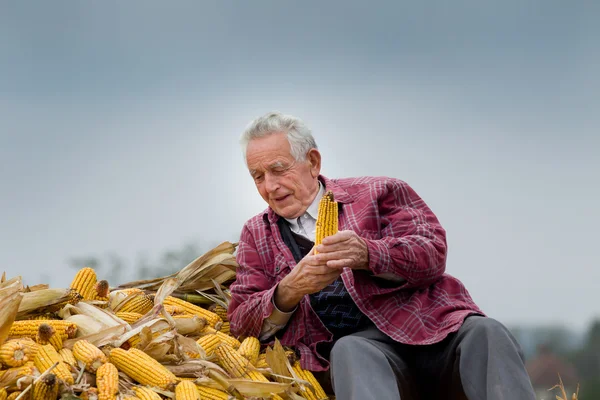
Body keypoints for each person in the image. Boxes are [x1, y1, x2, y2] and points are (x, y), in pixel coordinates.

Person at [228, 111, 536, 400]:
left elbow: (431, 252)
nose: (270, 186)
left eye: (278, 170)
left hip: (431, 329)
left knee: (487, 333)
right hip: (364, 352)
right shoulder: (256, 234)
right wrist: (289, 290)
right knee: (350, 350)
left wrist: (368, 253)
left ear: (313, 162)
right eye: (257, 176)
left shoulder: (380, 192)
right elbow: (241, 322)